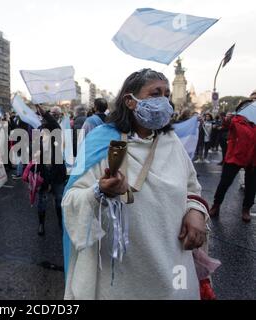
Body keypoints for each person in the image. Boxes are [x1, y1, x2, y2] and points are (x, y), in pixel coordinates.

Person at [63, 69, 209, 299]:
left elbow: (192, 188)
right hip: (121, 276)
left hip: (173, 269)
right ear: (130, 101)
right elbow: (71, 199)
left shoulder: (172, 142)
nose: (163, 101)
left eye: (167, 94)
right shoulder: (98, 141)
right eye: (155, 94)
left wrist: (196, 212)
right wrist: (99, 191)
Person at [210, 98, 256, 223]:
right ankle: (216, 205)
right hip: (235, 157)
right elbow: (226, 125)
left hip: (252, 159)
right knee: (224, 183)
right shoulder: (236, 121)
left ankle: (246, 209)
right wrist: (227, 119)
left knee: (251, 186)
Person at [34, 105, 67, 236]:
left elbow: (53, 124)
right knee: (42, 200)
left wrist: (44, 112)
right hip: (43, 171)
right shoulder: (39, 130)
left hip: (57, 171)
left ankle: (60, 223)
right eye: (51, 114)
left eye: (56, 114)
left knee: (59, 200)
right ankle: (41, 224)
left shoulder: (58, 129)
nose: (53, 116)